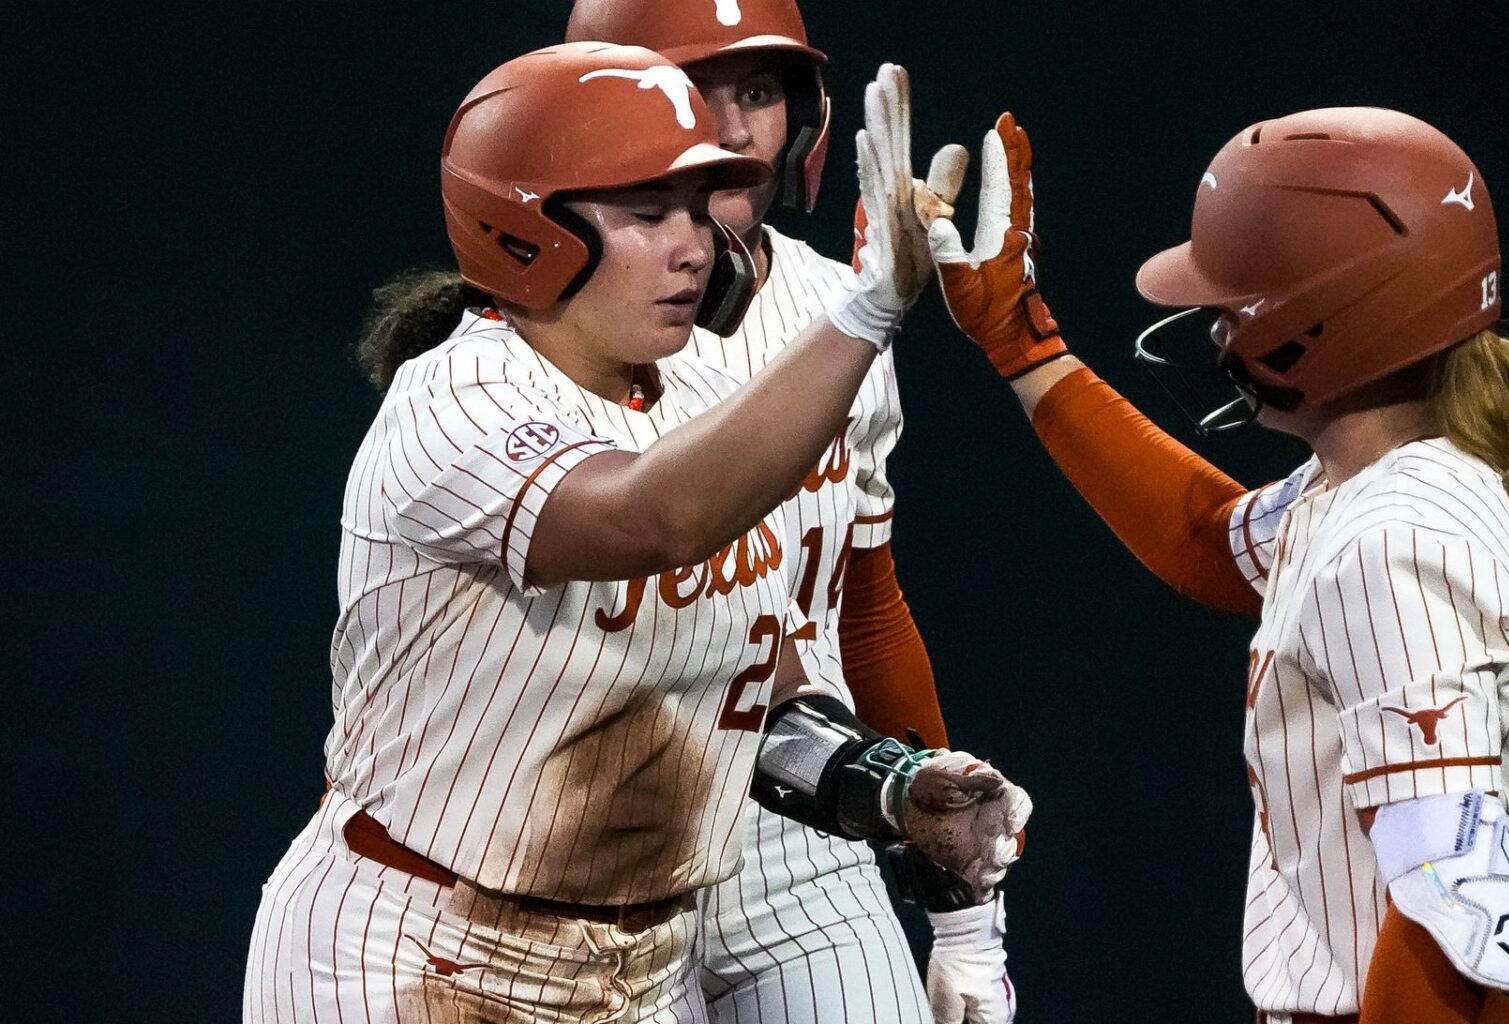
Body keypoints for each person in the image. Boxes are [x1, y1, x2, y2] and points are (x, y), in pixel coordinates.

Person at [242, 43, 1027, 1024]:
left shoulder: (699, 398)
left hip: (639, 970)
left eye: (698, 208)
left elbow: (766, 708)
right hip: (413, 951)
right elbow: (650, 517)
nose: (694, 245)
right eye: (648, 212)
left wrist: (893, 787)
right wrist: (865, 315)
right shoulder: (455, 397)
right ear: (526, 231)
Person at [926, 109, 1509, 1023]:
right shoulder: (1406, 472)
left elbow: (1449, 913)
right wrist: (1024, 348)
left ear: (1327, 318)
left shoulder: (1395, 538)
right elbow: (1208, 540)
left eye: (1234, 304)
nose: (1215, 327)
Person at [561, 4, 1013, 1023]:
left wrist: (963, 910)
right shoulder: (531, 344)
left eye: (759, 92)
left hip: (805, 813)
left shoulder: (841, 304)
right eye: (693, 89)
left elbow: (865, 613)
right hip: (585, 836)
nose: (732, 130)